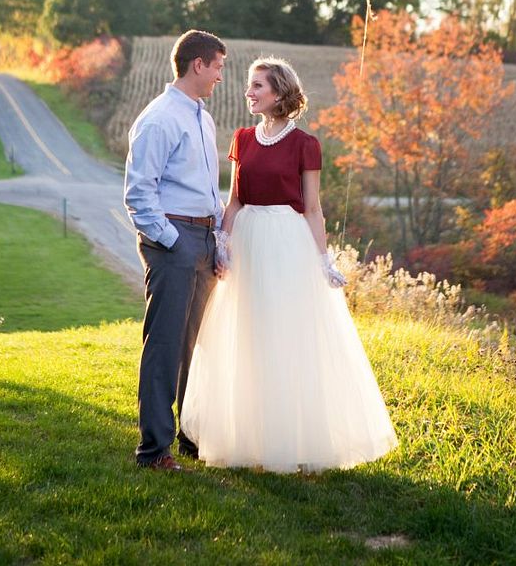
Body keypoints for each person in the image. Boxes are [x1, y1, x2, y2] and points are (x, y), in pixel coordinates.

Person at [181, 57, 398, 473]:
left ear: (279, 94)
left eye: (257, 86)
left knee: (285, 337)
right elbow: (235, 200)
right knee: (246, 334)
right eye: (250, 85)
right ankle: (246, 438)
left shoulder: (305, 144)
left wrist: (323, 259)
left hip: (287, 243)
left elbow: (313, 208)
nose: (249, 92)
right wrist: (223, 241)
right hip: (247, 240)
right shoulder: (242, 139)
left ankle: (292, 439)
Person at [124, 29, 227, 472]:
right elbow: (138, 194)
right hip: (175, 240)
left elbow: (209, 188)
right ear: (197, 65)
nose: (222, 76)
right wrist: (173, 243)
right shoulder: (159, 118)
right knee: (165, 344)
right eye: (218, 67)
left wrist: (217, 238)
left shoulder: (203, 117)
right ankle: (153, 450)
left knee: (194, 345)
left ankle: (190, 436)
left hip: (204, 238)